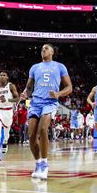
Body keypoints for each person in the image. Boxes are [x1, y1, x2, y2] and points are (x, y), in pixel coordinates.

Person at [21, 44, 72, 180]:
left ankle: (44, 163)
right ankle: (38, 163)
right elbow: (29, 87)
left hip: (50, 102)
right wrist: (24, 93)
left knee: (43, 129)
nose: (43, 50)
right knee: (31, 135)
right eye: (42, 48)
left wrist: (58, 93)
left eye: (46, 48)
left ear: (52, 52)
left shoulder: (59, 66)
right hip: (35, 102)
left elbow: (69, 87)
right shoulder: (35, 67)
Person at [0, 71, 19, 161]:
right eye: (1, 75)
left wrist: (7, 100)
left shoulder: (11, 86)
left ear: (7, 77)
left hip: (8, 111)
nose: (2, 76)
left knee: (6, 132)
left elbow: (17, 98)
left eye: (4, 75)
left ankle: (5, 142)